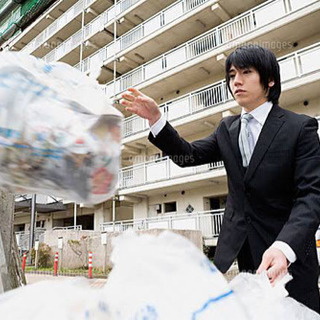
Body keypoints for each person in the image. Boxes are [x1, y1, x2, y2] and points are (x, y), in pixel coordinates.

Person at [120, 45, 320, 312]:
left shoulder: (300, 128)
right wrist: (156, 120)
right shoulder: (227, 129)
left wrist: (285, 247)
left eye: (246, 72)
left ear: (270, 80)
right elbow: (187, 156)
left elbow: (312, 195)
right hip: (244, 254)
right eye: (231, 75)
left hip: (290, 255)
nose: (235, 81)